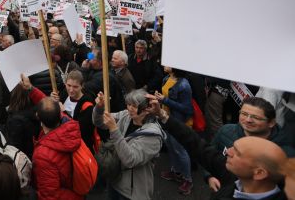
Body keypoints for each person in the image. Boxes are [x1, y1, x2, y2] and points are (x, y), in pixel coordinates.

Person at [149, 96, 289, 199]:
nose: (227, 151)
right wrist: (162, 115)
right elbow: (199, 147)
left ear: (260, 172)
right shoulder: (232, 173)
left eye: (238, 152)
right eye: (244, 114)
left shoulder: (285, 155)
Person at [93, 89, 165, 200]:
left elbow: (130, 159)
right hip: (115, 180)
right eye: (128, 104)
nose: (129, 109)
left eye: (134, 106)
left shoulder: (153, 136)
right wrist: (99, 108)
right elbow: (99, 122)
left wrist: (114, 129)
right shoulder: (126, 116)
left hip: (132, 192)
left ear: (146, 109)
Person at [31, 96, 82, 200]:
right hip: (77, 188)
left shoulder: (42, 155)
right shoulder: (70, 127)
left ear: (38, 116)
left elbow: (50, 195)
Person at [155, 66, 194, 195]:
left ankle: (188, 180)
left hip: (177, 123)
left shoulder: (184, 85)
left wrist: (164, 100)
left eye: (168, 63)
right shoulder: (167, 78)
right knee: (171, 146)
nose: (164, 65)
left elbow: (187, 109)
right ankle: (176, 172)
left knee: (180, 150)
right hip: (166, 119)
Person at [61, 70, 97, 152]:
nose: (71, 90)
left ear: (82, 86)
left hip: (80, 147)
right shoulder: (64, 94)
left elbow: (80, 130)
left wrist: (64, 113)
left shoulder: (87, 105)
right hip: (64, 141)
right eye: (69, 85)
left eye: (75, 87)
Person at [5, 83, 40, 159]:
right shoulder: (35, 112)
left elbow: (14, 147)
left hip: (23, 159)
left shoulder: (15, 120)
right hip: (33, 155)